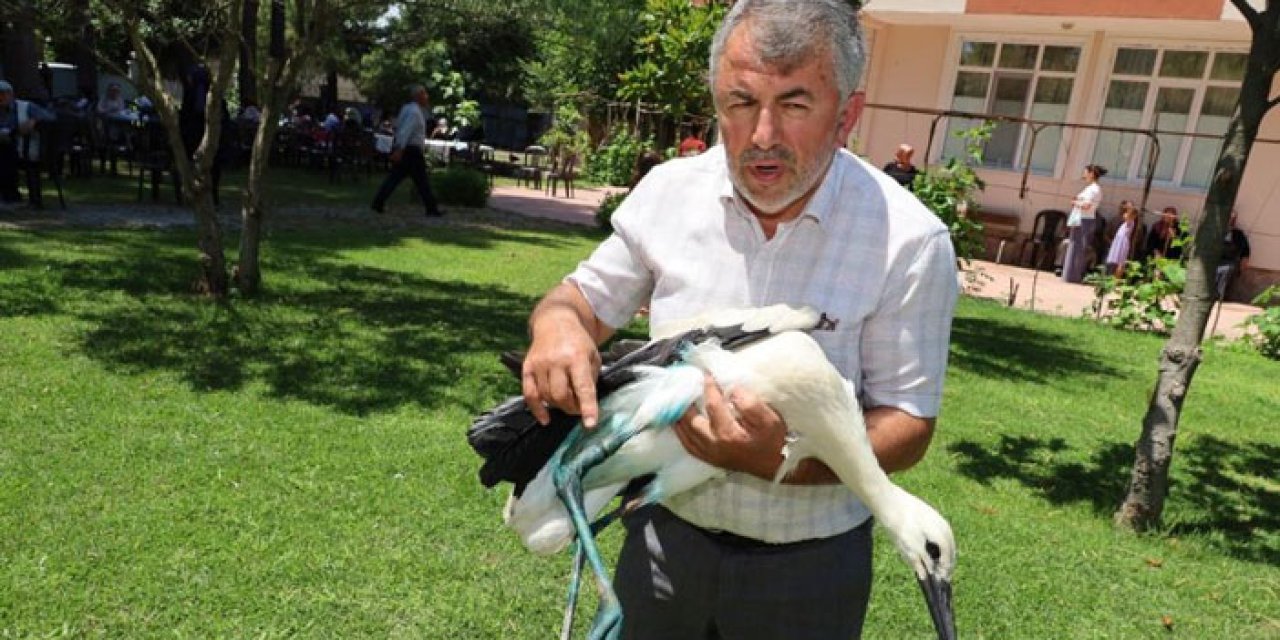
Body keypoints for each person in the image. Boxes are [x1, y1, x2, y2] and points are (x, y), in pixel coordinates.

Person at [518, 2, 958, 637]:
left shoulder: (910, 242)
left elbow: (909, 422)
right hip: (663, 544)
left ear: (847, 116)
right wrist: (558, 326)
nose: (762, 136)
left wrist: (780, 459)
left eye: (796, 104)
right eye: (741, 102)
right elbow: (579, 301)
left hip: (809, 574)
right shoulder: (670, 192)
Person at [371, 84, 441, 217]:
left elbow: (398, 127)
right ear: (419, 96)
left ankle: (378, 202)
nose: (427, 97)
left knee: (397, 178)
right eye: (425, 94)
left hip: (407, 149)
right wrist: (400, 149)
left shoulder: (406, 109)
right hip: (411, 150)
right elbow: (406, 131)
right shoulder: (415, 112)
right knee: (421, 181)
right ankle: (432, 208)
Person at [0, 80, 56, 207]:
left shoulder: (26, 107)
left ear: (11, 95)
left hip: (26, 147)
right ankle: (8, 194)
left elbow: (51, 117)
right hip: (6, 144)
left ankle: (10, 195)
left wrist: (34, 121)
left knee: (6, 153)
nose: (1, 98)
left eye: (3, 94)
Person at [1061, 164, 1106, 283]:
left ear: (1091, 174)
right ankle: (1069, 274)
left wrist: (1075, 203)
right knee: (1074, 246)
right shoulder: (1089, 188)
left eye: (1085, 172)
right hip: (1080, 219)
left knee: (1078, 248)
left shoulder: (1094, 189)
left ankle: (1073, 276)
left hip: (1084, 220)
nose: (1084, 174)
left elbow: (1087, 205)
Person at [1216, 211, 1251, 300]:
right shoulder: (1217, 231)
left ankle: (1219, 295)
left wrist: (1244, 261)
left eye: (1233, 220)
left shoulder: (1238, 234)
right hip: (1215, 259)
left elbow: (1246, 250)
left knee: (1226, 269)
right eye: (1230, 219)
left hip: (1230, 260)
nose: (1231, 221)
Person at [1103, 200, 1140, 278]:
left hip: (1122, 243)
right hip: (1117, 243)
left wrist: (1130, 209)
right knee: (1113, 261)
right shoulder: (1122, 221)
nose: (1125, 213)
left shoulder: (1131, 221)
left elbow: (1130, 214)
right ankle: (1109, 277)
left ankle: (1116, 280)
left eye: (1128, 211)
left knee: (1120, 263)